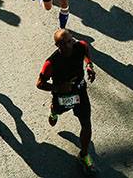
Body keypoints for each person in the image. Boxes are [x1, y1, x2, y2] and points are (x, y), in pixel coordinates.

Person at [36, 29, 97, 175]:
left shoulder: (80, 46)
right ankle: (53, 112)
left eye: (70, 41)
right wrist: (58, 87)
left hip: (80, 92)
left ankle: (84, 154)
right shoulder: (51, 63)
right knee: (57, 110)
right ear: (57, 45)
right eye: (64, 43)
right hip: (62, 96)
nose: (69, 45)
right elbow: (39, 83)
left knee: (86, 123)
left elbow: (86, 51)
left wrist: (89, 65)